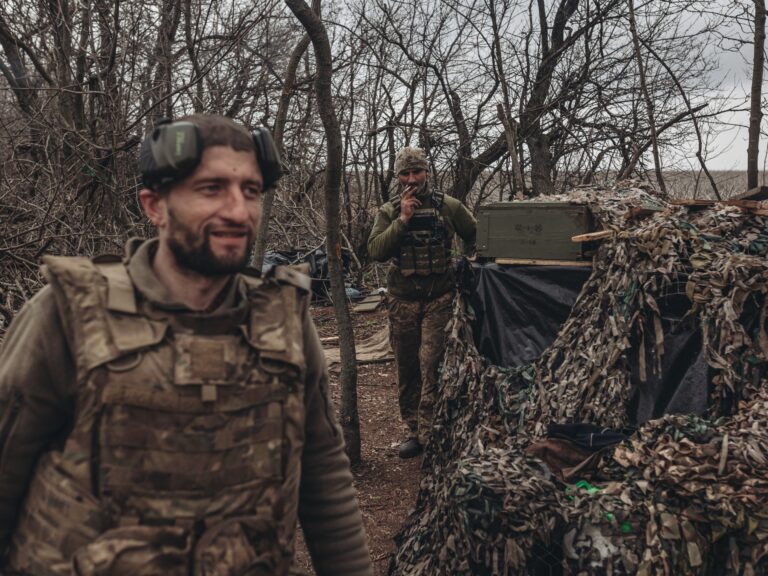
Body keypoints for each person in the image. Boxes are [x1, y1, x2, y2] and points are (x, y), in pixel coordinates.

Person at [0, 115, 372, 575]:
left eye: (251, 191)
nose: (238, 211)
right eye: (211, 189)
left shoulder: (284, 321)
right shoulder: (66, 315)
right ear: (154, 205)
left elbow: (322, 472)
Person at [368, 147, 476, 459]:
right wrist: (403, 219)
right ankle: (414, 430)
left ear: (427, 172)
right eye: (405, 173)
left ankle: (432, 431)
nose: (412, 178)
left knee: (433, 364)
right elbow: (376, 251)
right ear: (398, 176)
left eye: (417, 172)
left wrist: (465, 263)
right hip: (403, 300)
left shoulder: (447, 206)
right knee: (408, 366)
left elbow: (475, 234)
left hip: (439, 299)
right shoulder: (389, 211)